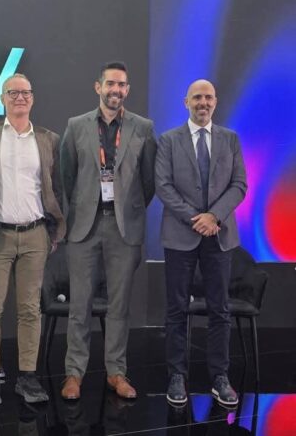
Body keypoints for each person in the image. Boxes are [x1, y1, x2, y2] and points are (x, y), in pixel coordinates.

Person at [60, 61, 156, 400]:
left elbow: (148, 181)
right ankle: (74, 373)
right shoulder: (76, 126)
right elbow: (67, 176)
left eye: (121, 85)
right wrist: (85, 205)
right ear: (98, 86)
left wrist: (128, 210)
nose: (116, 90)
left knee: (119, 305)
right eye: (110, 84)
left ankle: (116, 371)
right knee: (80, 305)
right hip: (84, 227)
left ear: (127, 90)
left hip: (123, 228)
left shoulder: (143, 128)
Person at [0, 73, 66, 405]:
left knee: (29, 309)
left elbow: (57, 187)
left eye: (26, 92)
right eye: (13, 93)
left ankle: (27, 377)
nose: (20, 98)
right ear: (2, 98)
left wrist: (54, 230)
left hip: (35, 235)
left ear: (33, 98)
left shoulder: (48, 139)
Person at [156, 79, 247, 407]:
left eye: (208, 97)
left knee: (220, 309)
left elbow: (239, 184)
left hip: (219, 236)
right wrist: (196, 218)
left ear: (215, 101)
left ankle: (220, 376)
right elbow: (163, 186)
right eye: (197, 97)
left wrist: (214, 217)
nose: (203, 103)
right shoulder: (168, 140)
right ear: (186, 102)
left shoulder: (230, 139)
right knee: (176, 309)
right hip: (180, 235)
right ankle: (176, 375)